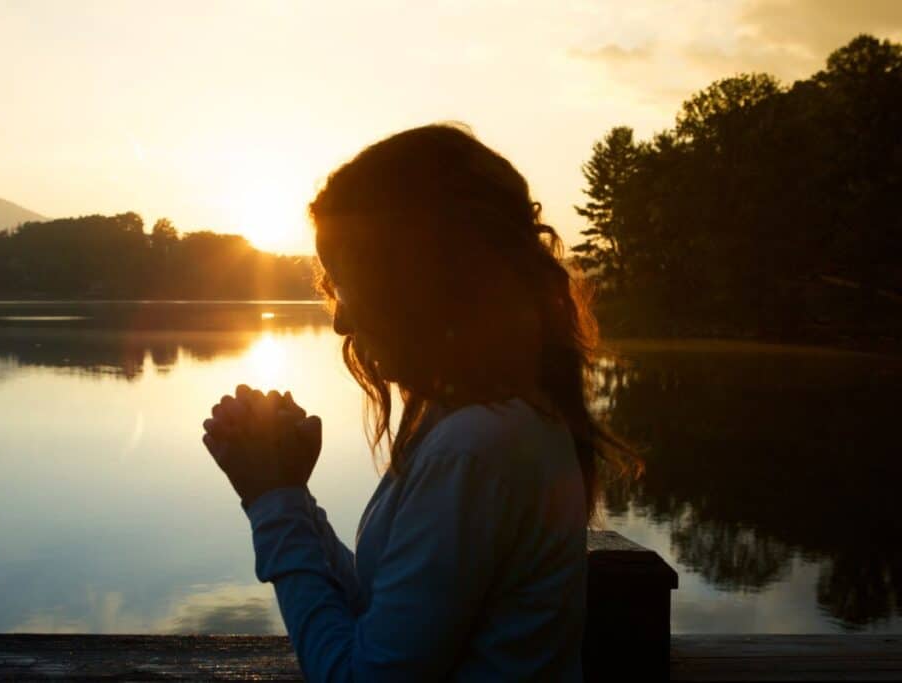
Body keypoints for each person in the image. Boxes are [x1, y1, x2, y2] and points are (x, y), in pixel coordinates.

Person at [201, 123, 636, 682]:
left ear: (408, 281)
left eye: (345, 284)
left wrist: (273, 502)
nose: (339, 320)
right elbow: (390, 612)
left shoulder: (475, 447)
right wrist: (292, 492)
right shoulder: (482, 420)